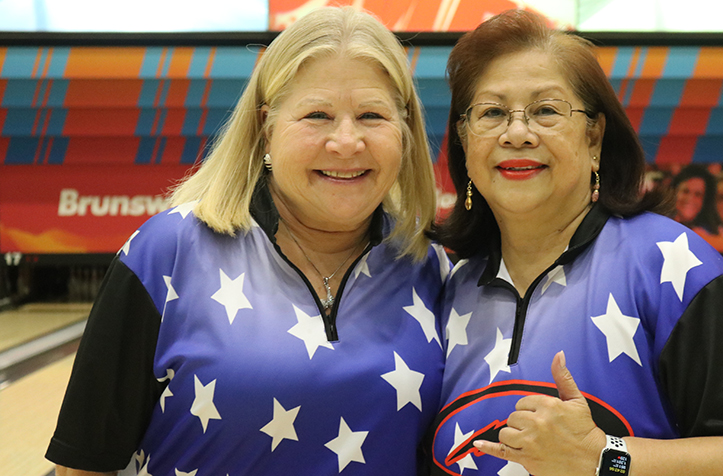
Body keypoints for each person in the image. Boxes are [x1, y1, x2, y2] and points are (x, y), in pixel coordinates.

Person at [46, 7, 448, 476]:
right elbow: (85, 465)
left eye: (372, 115)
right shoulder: (166, 253)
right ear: (266, 130)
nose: (346, 141)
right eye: (317, 115)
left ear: (405, 132)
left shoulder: (431, 269)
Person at [430, 9, 723, 476]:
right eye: (492, 113)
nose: (517, 133)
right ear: (464, 139)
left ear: (593, 135)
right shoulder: (452, 287)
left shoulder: (670, 265)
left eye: (546, 111)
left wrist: (604, 457)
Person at [669, 164, 718, 234]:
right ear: (674, 192)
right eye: (685, 191)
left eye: (698, 194)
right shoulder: (658, 225)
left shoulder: (710, 234)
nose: (690, 198)